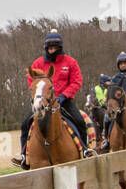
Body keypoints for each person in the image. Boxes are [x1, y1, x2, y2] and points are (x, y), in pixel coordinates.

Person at [11, 29, 93, 168]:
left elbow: (76, 81)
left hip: (64, 101)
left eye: (54, 47)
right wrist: (40, 97)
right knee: (25, 124)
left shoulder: (70, 62)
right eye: (49, 48)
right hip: (43, 102)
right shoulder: (37, 63)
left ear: (59, 48)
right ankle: (24, 155)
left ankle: (85, 150)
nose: (51, 50)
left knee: (79, 121)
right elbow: (33, 81)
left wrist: (64, 96)